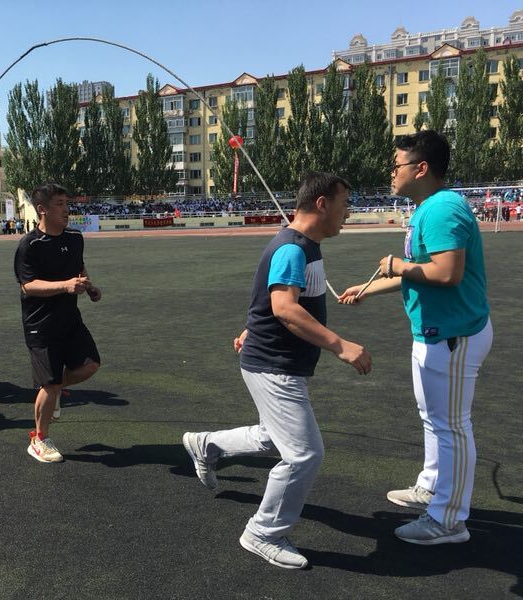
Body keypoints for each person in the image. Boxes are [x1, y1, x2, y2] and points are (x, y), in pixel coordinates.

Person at [182, 173, 371, 569]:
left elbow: (272, 301)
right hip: (273, 366)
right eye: (343, 205)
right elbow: (284, 308)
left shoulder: (305, 246)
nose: (347, 214)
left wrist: (251, 328)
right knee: (304, 454)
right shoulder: (292, 248)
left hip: (275, 361)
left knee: (275, 437)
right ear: (321, 204)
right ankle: (263, 532)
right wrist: (341, 346)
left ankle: (206, 445)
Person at [339, 130, 492, 545]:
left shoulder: (442, 209)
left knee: (452, 426)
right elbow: (424, 270)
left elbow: (447, 273)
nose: (392, 173)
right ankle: (432, 486)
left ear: (420, 168)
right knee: (434, 418)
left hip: (454, 335)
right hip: (435, 332)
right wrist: (369, 287)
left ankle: (449, 520)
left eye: (396, 165)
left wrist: (397, 265)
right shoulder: (430, 207)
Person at [14, 183, 102, 463]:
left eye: (67, 203)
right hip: (40, 323)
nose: (66, 210)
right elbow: (28, 286)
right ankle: (39, 440)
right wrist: (65, 285)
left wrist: (89, 286)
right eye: (60, 204)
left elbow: (79, 268)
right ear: (42, 209)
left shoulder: (75, 238)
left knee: (90, 365)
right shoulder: (29, 245)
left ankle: (52, 390)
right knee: (50, 386)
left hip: (70, 319)